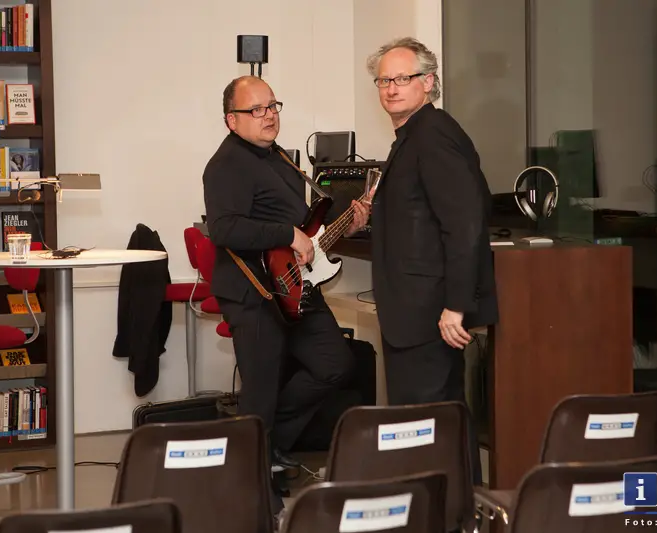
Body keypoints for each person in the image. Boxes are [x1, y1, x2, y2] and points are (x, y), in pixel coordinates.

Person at [202, 76, 369, 517]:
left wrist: (340, 228)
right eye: (256, 109)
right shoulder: (225, 165)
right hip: (252, 292)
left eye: (273, 105)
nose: (269, 114)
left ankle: (269, 445)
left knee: (335, 365)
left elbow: (303, 227)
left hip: (295, 287)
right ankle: (256, 491)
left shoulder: (277, 157)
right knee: (260, 391)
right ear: (231, 120)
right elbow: (224, 229)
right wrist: (286, 233)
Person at [366, 37, 499, 485]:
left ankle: (441, 514)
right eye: (383, 80)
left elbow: (464, 223)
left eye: (402, 78)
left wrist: (456, 304)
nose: (390, 88)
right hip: (415, 311)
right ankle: (459, 512)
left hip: (430, 313)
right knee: (439, 428)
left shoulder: (433, 133)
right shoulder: (412, 136)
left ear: (428, 82)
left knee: (425, 431)